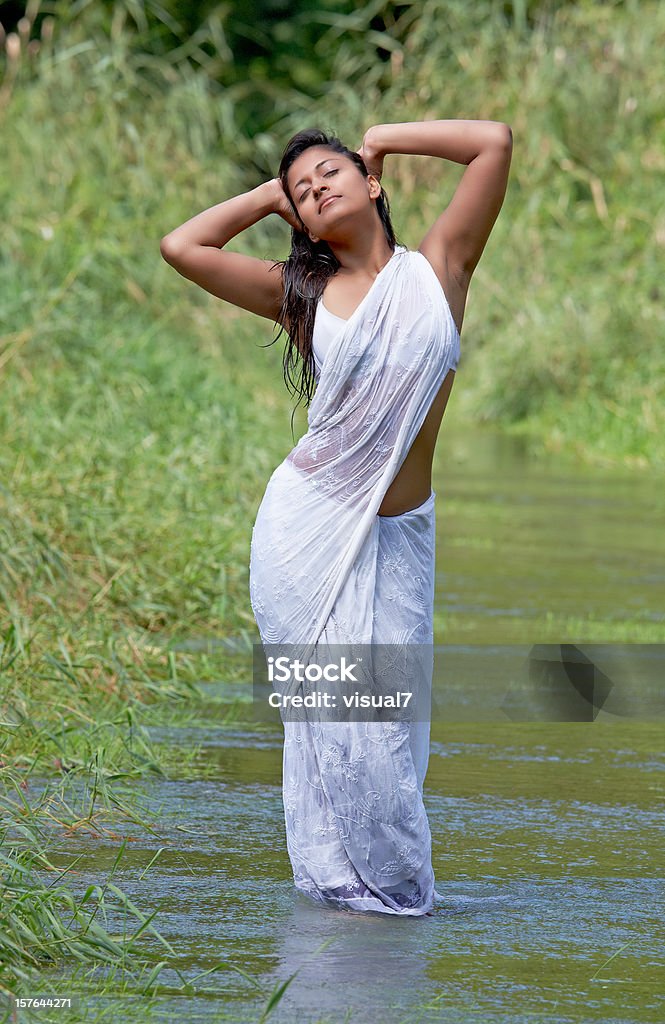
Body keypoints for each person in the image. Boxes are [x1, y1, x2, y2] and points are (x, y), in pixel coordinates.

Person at [160, 119, 513, 915]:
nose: (316, 187)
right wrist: (265, 197)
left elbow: (492, 141)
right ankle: (352, 912)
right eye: (302, 191)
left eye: (329, 172)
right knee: (336, 731)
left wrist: (385, 134)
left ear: (371, 181)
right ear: (299, 218)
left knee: (385, 736)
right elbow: (182, 248)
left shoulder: (441, 269)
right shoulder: (303, 297)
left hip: (401, 536)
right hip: (307, 534)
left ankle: (386, 906)